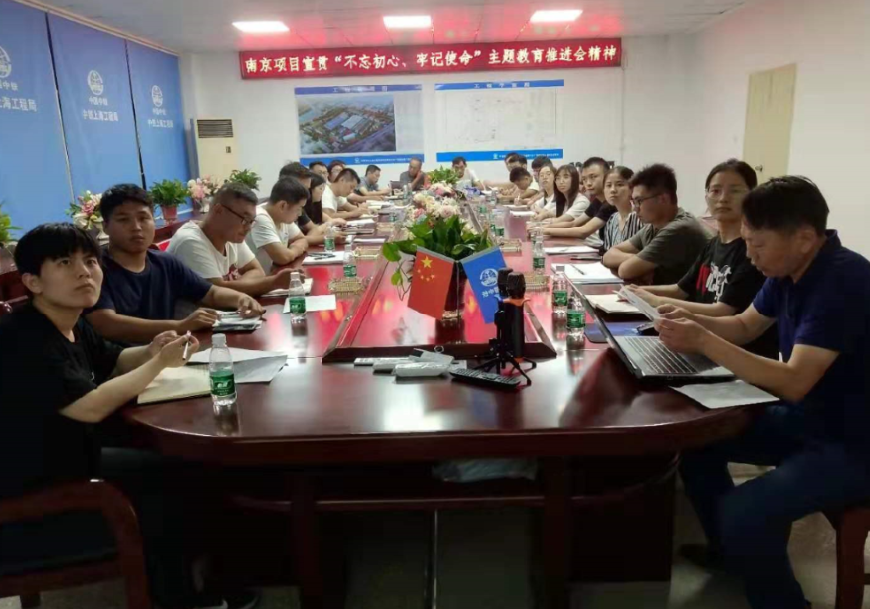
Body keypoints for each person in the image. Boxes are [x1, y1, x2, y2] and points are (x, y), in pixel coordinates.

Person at [0, 223, 258, 609]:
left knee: (189, 467)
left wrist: (152, 350)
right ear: (32, 281)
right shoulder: (25, 338)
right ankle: (179, 598)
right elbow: (88, 406)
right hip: (35, 491)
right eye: (65, 263)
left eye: (90, 261)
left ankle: (215, 575)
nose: (84, 272)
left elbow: (116, 358)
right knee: (167, 492)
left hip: (71, 458)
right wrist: (158, 364)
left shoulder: (70, 320)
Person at [654, 176, 870, 609]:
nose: (750, 256)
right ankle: (736, 555)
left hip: (853, 442)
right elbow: (745, 325)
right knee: (698, 443)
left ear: (804, 238)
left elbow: (794, 380)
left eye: (757, 245)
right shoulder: (788, 268)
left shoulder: (843, 280)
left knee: (745, 510)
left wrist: (702, 340)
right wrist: (684, 319)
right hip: (810, 417)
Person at [625, 159, 777, 358]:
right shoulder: (713, 244)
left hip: (732, 355)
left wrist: (655, 300)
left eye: (735, 191)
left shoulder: (752, 252)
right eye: (715, 191)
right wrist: (637, 292)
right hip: (700, 347)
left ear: (752, 196)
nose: (723, 198)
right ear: (706, 197)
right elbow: (680, 289)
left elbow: (723, 311)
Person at [85, 184, 263, 344]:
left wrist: (240, 299)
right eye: (124, 219)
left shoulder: (164, 263)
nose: (136, 227)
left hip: (169, 354)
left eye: (143, 218)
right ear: (105, 226)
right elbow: (106, 323)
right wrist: (179, 326)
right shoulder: (94, 269)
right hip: (123, 363)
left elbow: (211, 293)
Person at [167, 183, 297, 296]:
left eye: (251, 221)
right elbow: (216, 294)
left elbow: (257, 271)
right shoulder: (190, 242)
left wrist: (232, 287)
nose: (248, 228)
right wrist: (274, 283)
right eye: (245, 219)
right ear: (219, 210)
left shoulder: (230, 235)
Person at [602, 163, 710, 283]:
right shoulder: (652, 226)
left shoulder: (679, 229)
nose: (635, 208)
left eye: (639, 201)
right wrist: (638, 259)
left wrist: (637, 262)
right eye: (634, 202)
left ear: (663, 199)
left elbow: (625, 270)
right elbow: (608, 256)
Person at [246, 178, 310, 273]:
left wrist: (291, 252)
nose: (300, 214)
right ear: (283, 205)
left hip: (273, 275)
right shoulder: (260, 218)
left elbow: (302, 239)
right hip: (259, 279)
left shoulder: (282, 215)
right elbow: (283, 257)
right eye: (299, 208)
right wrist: (295, 250)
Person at [278, 162, 345, 244]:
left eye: (307, 189)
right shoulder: (277, 211)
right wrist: (329, 237)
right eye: (304, 189)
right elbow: (300, 241)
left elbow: (302, 239)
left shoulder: (297, 207)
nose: (306, 194)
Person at [599, 166, 644, 252]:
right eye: (608, 185)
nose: (612, 190)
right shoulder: (612, 219)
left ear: (632, 188)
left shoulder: (640, 217)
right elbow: (608, 252)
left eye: (619, 185)